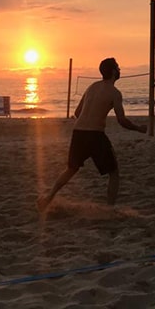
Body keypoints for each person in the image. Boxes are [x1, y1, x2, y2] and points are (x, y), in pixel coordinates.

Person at [37, 58, 147, 212]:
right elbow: (122, 121)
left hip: (78, 132)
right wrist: (139, 129)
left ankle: (48, 198)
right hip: (95, 135)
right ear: (114, 71)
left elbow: (77, 113)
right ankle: (110, 209)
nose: (120, 69)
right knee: (114, 173)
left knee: (71, 169)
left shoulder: (92, 87)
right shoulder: (115, 93)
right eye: (118, 67)